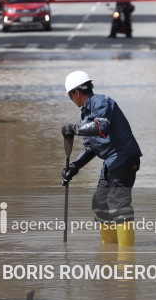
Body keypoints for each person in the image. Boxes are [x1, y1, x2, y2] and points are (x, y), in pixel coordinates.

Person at [60, 71, 142, 245]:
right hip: (110, 163)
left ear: (76, 92)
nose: (71, 100)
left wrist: (75, 129)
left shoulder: (101, 102)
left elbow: (101, 126)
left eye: (70, 96)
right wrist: (74, 167)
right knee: (100, 203)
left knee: (118, 204)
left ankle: (126, 257)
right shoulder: (85, 114)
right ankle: (109, 251)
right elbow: (90, 147)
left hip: (124, 158)